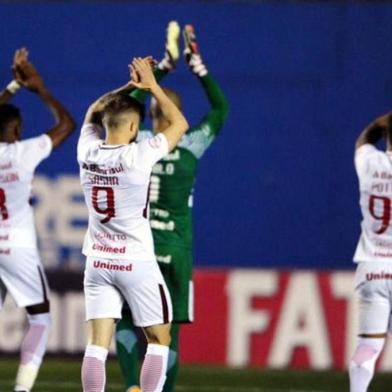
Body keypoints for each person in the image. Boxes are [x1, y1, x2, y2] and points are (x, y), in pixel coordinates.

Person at [116, 24, 229, 392]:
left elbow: (121, 104)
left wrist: (159, 70)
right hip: (176, 249)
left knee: (126, 321)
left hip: (139, 246)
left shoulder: (140, 142)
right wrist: (200, 68)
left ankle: (133, 384)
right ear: (176, 115)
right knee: (170, 332)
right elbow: (220, 108)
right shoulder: (192, 144)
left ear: (148, 116)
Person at [78, 57, 188, 392]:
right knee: (159, 338)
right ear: (131, 128)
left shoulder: (86, 150)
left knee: (97, 344)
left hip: (97, 261)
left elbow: (92, 111)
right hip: (136, 261)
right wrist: (151, 85)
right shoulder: (138, 155)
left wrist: (127, 88)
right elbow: (180, 124)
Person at [0, 48, 75, 392]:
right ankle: (21, 390)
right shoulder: (23, 151)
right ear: (16, 129)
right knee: (40, 320)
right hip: (16, 248)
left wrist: (11, 89)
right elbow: (67, 125)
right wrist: (39, 89)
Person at [350, 112, 392, 391]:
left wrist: (383, 123)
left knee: (367, 347)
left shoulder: (370, 164)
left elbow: (365, 138)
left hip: (373, 268)